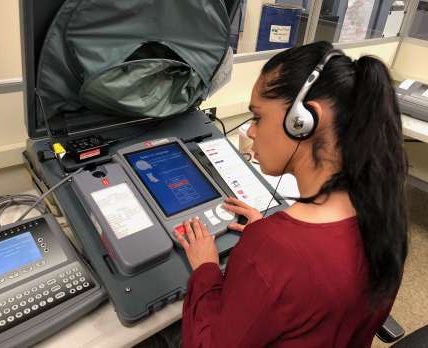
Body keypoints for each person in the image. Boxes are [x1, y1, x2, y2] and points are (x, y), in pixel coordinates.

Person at [173, 41, 408, 347]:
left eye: (258, 117)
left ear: (303, 121)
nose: (252, 131)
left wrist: (205, 268)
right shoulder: (384, 213)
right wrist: (264, 232)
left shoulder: (274, 248)